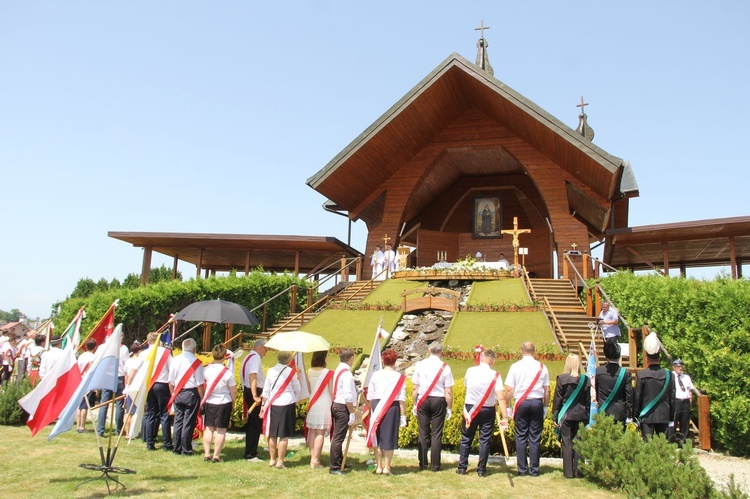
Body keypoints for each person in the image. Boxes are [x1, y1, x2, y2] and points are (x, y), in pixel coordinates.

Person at [457, 349, 508, 478]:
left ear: (481, 358)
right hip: (487, 410)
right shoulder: (495, 375)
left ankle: (462, 467)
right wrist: (505, 417)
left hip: (471, 407)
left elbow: (467, 386)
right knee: (484, 440)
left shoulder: (470, 371)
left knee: (466, 438)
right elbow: (501, 397)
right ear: (493, 361)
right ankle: (481, 470)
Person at [505, 341, 550, 477]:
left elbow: (509, 389)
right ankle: (534, 469)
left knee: (521, 436)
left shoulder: (515, 366)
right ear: (534, 351)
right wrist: (546, 406)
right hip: (536, 402)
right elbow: (547, 390)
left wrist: (508, 406)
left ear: (521, 351)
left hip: (521, 402)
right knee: (535, 437)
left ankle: (522, 469)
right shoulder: (542, 367)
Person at [412, 341, 454, 472]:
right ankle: (435, 465)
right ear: (441, 352)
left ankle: (423, 463)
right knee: (436, 433)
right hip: (438, 399)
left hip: (423, 399)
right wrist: (449, 408)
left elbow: (415, 387)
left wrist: (414, 403)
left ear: (429, 351)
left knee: (423, 432)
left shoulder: (420, 365)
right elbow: (448, 391)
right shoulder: (445, 367)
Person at [364, 349, 406, 475]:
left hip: (377, 404)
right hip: (392, 406)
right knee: (389, 437)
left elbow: (370, 395)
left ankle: (379, 466)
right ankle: (387, 467)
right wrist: (403, 416)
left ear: (383, 360)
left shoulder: (376, 375)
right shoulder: (399, 377)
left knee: (377, 436)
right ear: (395, 361)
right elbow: (401, 399)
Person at [552, 354, 590, 479]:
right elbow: (587, 400)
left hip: (566, 415)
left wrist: (555, 416)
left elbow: (557, 399)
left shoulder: (562, 379)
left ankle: (568, 472)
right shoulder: (585, 379)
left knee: (567, 442)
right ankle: (579, 471)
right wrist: (587, 416)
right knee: (579, 443)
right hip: (581, 414)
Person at [261, 350, 301, 469]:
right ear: (289, 360)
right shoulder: (291, 372)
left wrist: (263, 405)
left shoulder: (271, 370)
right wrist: (297, 376)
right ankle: (280, 461)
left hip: (273, 403)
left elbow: (266, 390)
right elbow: (297, 389)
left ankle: (272, 459)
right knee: (284, 435)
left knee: (272, 433)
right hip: (287, 403)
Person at [634, 332, 676, 440]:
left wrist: (636, 414)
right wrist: (671, 417)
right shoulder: (669, 375)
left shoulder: (641, 375)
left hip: (646, 416)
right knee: (662, 450)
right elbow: (672, 399)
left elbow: (637, 397)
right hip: (664, 416)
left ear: (646, 358)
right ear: (659, 357)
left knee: (648, 449)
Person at [168, 338, 205, 456]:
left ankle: (176, 448)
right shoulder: (197, 363)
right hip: (191, 393)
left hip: (178, 392)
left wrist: (173, 394)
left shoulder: (175, 360)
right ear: (194, 349)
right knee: (188, 422)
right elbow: (200, 384)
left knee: (178, 421)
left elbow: (171, 382)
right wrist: (202, 399)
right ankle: (186, 449)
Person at [137, 331, 173, 451]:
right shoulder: (166, 352)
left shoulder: (143, 353)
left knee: (151, 413)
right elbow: (171, 369)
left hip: (149, 385)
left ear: (148, 341)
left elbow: (138, 370)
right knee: (164, 414)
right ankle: (167, 443)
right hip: (162, 385)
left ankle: (150, 442)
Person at [202, 344, 236, 462]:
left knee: (209, 428)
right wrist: (233, 401)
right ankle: (216, 455)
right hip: (224, 401)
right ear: (224, 356)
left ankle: (207, 454)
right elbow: (233, 390)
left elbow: (204, 384)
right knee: (221, 430)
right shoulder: (227, 373)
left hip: (210, 401)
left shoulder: (206, 369)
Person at [329, 348, 357, 475]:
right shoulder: (346, 373)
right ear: (351, 358)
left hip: (336, 404)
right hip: (342, 407)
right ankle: (334, 467)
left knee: (338, 436)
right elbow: (346, 395)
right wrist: (351, 412)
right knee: (338, 438)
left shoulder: (339, 369)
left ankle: (340, 461)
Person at [97, 335, 129, 437]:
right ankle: (118, 430)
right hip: (119, 377)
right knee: (119, 404)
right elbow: (126, 365)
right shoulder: (123, 349)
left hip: (108, 376)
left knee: (104, 403)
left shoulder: (103, 347)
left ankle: (100, 429)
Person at [595, 341, 633, 426]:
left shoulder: (599, 371)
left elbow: (597, 392)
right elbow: (629, 396)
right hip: (619, 413)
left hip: (603, 411)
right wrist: (630, 415)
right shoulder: (626, 373)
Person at [306, 350, 333, 469]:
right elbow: (332, 392)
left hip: (313, 402)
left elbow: (309, 389)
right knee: (320, 432)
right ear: (323, 358)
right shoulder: (328, 373)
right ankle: (315, 460)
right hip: (323, 403)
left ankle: (312, 457)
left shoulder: (309, 371)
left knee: (312, 431)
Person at [241, 339, 267, 461]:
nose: (266, 353)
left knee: (255, 423)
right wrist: (255, 395)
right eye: (265, 349)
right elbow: (252, 375)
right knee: (254, 424)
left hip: (248, 389)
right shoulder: (255, 358)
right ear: (261, 347)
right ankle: (250, 453)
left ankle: (253, 450)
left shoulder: (248, 356)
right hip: (254, 391)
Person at [668, 358, 694, 446]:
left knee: (685, 423)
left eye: (681, 366)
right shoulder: (671, 377)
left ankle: (683, 442)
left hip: (685, 401)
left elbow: (690, 391)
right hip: (676, 401)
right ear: (674, 367)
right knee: (673, 422)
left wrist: (690, 403)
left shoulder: (686, 377)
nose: (680, 368)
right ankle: (672, 441)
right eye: (678, 366)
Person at [75, 339, 98, 433]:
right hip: (87, 382)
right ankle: (82, 426)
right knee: (85, 405)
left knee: (79, 405)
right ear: (95, 347)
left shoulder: (81, 356)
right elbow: (92, 371)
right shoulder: (93, 357)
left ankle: (78, 425)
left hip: (79, 381)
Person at [122, 341, 142, 438]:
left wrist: (126, 385)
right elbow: (132, 374)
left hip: (128, 387)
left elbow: (125, 375)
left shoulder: (128, 361)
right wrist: (129, 385)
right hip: (134, 387)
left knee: (128, 411)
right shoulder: (139, 361)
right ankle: (131, 433)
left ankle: (127, 432)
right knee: (133, 411)